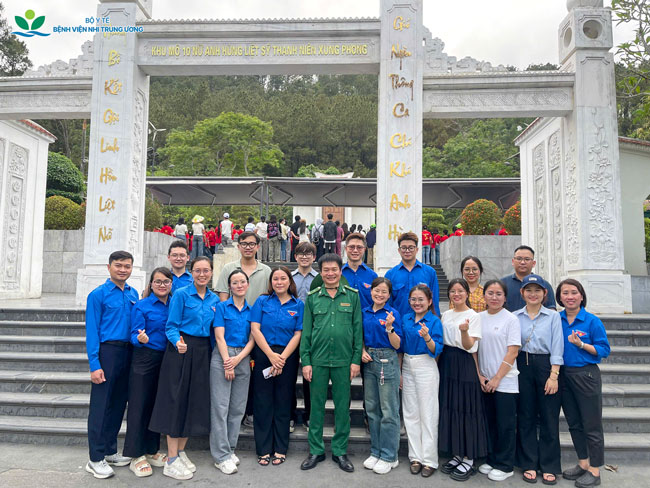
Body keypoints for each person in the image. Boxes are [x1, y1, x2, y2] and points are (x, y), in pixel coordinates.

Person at [149, 256, 217, 481]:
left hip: (203, 351)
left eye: (206, 270)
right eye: (197, 270)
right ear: (191, 272)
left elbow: (214, 331)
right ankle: (171, 459)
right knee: (176, 401)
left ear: (211, 273)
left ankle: (180, 452)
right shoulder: (180, 294)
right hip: (181, 350)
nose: (202, 274)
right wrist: (177, 342)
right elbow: (171, 326)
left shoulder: (214, 299)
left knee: (193, 402)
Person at [300, 253, 363, 473]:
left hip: (344, 360)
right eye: (325, 270)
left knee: (342, 408)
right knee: (316, 407)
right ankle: (316, 450)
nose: (330, 273)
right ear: (321, 272)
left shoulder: (352, 296)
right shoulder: (313, 297)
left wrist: (356, 360)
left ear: (340, 271)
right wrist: (305, 361)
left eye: (334, 269)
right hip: (317, 360)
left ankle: (340, 451)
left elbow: (357, 330)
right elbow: (306, 331)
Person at [84, 251, 139, 479]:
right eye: (118, 265)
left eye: (127, 266)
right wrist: (94, 364)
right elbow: (92, 332)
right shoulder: (98, 295)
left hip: (128, 352)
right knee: (101, 406)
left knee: (118, 405)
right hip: (107, 352)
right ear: (109, 267)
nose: (123, 270)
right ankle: (95, 458)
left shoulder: (133, 293)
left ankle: (109, 450)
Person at [557, 279, 610, 488]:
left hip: (586, 375)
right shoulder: (557, 319)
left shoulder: (591, 321)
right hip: (563, 375)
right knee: (574, 423)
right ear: (559, 297)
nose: (570, 297)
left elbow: (604, 350)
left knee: (591, 424)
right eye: (565, 293)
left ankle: (595, 470)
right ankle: (583, 463)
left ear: (581, 296)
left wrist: (582, 345)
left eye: (574, 292)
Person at [250, 267, 304, 466]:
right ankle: (264, 449)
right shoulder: (262, 301)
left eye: (283, 278)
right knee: (263, 402)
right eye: (275, 279)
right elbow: (255, 329)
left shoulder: (298, 305)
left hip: (287, 356)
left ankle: (281, 448)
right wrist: (271, 356)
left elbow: (298, 334)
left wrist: (281, 358)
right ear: (271, 282)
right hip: (264, 354)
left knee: (283, 401)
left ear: (290, 281)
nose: (279, 282)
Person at [514, 274, 564, 485]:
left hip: (546, 365)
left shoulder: (553, 316)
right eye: (528, 290)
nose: (532, 294)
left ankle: (550, 465)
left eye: (537, 290)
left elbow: (558, 346)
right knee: (525, 415)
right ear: (522, 293)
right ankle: (529, 463)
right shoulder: (515, 316)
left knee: (549, 417)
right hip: (522, 365)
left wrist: (554, 375)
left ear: (545, 293)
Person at [124, 267, 172, 477]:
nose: (162, 285)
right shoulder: (141, 305)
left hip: (167, 359)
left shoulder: (174, 304)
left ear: (171, 284)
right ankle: (135, 454)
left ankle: (152, 450)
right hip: (145, 358)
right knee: (139, 405)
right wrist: (140, 338)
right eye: (158, 281)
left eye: (166, 281)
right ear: (151, 284)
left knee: (156, 405)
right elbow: (133, 335)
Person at [438, 278, 488, 482]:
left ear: (467, 293)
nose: (456, 294)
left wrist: (464, 331)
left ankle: (469, 457)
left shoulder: (473, 316)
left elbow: (469, 347)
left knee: (466, 408)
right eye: (453, 291)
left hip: (464, 361)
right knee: (450, 407)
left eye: (460, 291)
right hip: (447, 361)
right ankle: (457, 453)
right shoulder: (446, 314)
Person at [210, 269, 255, 475]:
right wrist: (228, 362)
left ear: (247, 284)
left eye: (242, 282)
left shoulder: (252, 310)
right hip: (223, 356)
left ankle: (230, 448)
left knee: (237, 408)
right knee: (220, 407)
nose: (239, 285)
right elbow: (219, 336)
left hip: (243, 357)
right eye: (235, 282)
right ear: (229, 286)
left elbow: (253, 338)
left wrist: (239, 358)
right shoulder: (221, 307)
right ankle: (220, 456)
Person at [476, 280, 521, 482]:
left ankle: (505, 464)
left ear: (505, 297)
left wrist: (497, 378)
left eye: (498, 294)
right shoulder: (479, 318)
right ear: (484, 295)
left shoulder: (511, 319)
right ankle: (493, 458)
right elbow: (474, 349)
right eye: (490, 293)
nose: (494, 297)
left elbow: (513, 352)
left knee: (506, 424)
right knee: (490, 422)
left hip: (505, 380)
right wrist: (480, 375)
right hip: (485, 380)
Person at [399, 284, 443, 477]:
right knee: (411, 413)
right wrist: (400, 371)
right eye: (413, 299)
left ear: (429, 301)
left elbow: (436, 349)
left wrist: (427, 337)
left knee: (428, 413)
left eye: (421, 299)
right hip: (408, 365)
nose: (417, 303)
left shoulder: (434, 321)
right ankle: (415, 457)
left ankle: (430, 459)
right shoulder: (406, 318)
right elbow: (401, 347)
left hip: (426, 365)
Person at [360, 277, 402, 475]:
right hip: (369, 360)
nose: (379, 294)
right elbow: (359, 336)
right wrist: (361, 351)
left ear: (389, 295)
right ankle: (376, 451)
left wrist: (390, 328)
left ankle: (389, 455)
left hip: (387, 360)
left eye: (384, 291)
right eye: (377, 290)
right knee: (372, 408)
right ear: (371, 291)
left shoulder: (393, 314)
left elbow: (397, 344)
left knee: (388, 410)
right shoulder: (364, 312)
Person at [290, 242, 319, 430]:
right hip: (291, 331)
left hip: (313, 331)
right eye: (301, 253)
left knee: (310, 375)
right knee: (289, 374)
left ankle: (310, 415)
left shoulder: (320, 279)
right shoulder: (290, 278)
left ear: (314, 257)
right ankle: (291, 414)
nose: (304, 256)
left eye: (309, 254)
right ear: (295, 257)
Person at [385, 232, 440, 318]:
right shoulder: (390, 275)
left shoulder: (430, 272)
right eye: (404, 248)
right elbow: (388, 303)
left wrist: (436, 321)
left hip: (423, 323)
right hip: (399, 323)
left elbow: (434, 301)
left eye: (411, 248)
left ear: (417, 249)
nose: (407, 251)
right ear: (399, 250)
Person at [215, 232, 272, 305]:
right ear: (238, 246)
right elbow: (223, 297)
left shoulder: (266, 271)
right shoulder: (228, 268)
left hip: (260, 312)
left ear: (257, 247)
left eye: (252, 244)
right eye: (244, 244)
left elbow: (270, 296)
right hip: (234, 312)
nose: (248, 247)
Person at [501, 245, 556, 312]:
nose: (522, 262)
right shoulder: (502, 284)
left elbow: (551, 310)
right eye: (519, 259)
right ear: (513, 261)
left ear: (533, 263)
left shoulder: (544, 285)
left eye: (527, 259)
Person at [342, 232, 377, 311]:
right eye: (351, 247)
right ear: (346, 248)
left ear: (364, 249)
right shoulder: (339, 275)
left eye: (359, 247)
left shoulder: (373, 276)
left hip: (366, 318)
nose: (355, 250)